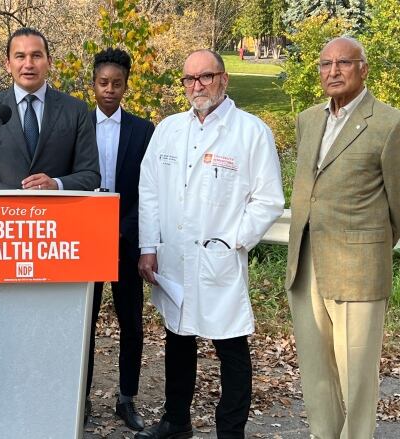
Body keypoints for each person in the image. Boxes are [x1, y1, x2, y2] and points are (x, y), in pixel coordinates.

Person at [136, 49, 284, 439]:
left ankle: (230, 429)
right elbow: (149, 189)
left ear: (224, 79)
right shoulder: (168, 128)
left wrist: (235, 239)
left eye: (205, 76)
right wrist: (148, 245)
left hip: (219, 257)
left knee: (231, 345)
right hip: (174, 257)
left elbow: (268, 199)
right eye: (189, 79)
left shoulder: (251, 132)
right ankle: (176, 419)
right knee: (178, 338)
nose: (196, 86)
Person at [285, 37, 400, 439]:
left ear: (363, 68)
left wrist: (371, 243)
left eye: (344, 62)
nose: (334, 71)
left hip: (359, 270)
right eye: (325, 63)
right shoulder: (309, 120)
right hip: (306, 263)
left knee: (356, 379)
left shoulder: (390, 123)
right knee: (316, 371)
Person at [85, 47, 154, 431]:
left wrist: (125, 228)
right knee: (84, 322)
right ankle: (81, 395)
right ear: (93, 84)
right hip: (86, 241)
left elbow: (148, 190)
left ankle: (126, 398)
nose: (109, 90)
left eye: (117, 83)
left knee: (131, 323)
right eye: (103, 82)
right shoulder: (78, 123)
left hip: (126, 240)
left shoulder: (143, 130)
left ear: (126, 85)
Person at [0, 27, 100, 191]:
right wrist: (18, 197)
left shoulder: (75, 110)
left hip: (60, 213)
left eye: (36, 56)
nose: (28, 64)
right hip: (3, 214)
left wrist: (57, 184)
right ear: (8, 64)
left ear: (49, 62)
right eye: (20, 56)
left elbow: (91, 175)